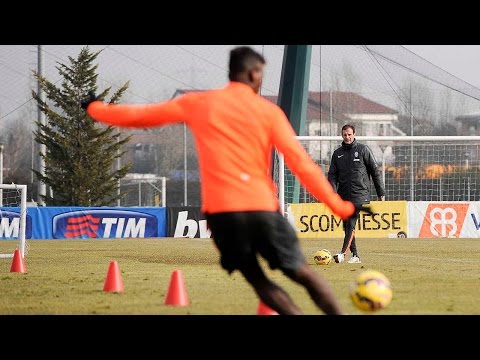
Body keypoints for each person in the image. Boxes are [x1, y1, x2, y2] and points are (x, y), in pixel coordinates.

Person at [82, 46, 359, 315]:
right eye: (261, 74)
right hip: (260, 208)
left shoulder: (199, 103)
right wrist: (340, 207)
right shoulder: (268, 112)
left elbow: (142, 115)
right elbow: (303, 166)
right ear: (252, 74)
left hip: (223, 216)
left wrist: (96, 109)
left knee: (257, 278)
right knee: (300, 271)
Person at [328, 124, 386, 264]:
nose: (347, 137)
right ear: (342, 135)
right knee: (347, 225)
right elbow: (332, 175)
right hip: (343, 195)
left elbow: (374, 171)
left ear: (354, 134)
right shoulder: (337, 153)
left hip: (359, 194)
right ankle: (355, 256)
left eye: (349, 134)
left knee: (351, 223)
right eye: (344, 135)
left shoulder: (363, 150)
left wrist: (381, 192)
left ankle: (342, 254)